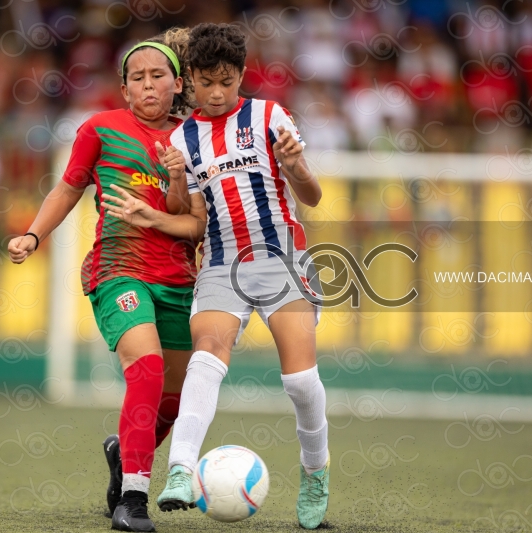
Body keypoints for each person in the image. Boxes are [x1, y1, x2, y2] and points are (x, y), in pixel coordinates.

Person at [100, 22, 330, 530]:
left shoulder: (271, 116)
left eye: (227, 81)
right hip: (222, 263)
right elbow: (194, 217)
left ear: (242, 75)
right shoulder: (183, 138)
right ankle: (180, 470)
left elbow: (311, 197)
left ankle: (316, 475)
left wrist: (296, 167)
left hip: (282, 258)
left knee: (299, 380)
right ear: (191, 83)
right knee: (205, 357)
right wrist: (174, 187)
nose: (218, 92)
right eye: (207, 82)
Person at [7, 29, 198, 533]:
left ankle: (122, 451)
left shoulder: (193, 137)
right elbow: (67, 189)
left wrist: (177, 174)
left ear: (178, 84)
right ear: (125, 87)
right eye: (137, 78)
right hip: (119, 268)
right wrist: (33, 234)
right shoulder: (100, 129)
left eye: (159, 76)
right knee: (147, 368)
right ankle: (133, 499)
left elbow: (189, 215)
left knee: (176, 401)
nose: (148, 85)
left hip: (179, 277)